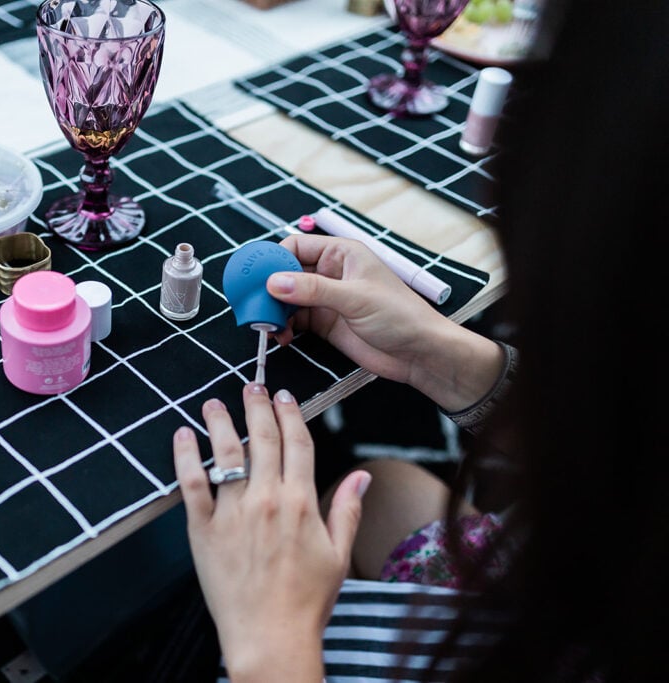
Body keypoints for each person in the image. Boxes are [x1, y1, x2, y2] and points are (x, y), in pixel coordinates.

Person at [172, 0, 668, 680]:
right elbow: (627, 455)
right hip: (572, 587)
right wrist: (447, 356)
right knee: (383, 491)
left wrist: (270, 641)